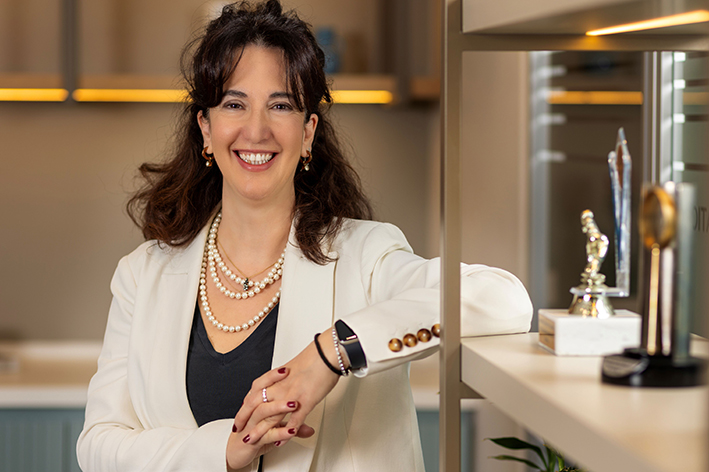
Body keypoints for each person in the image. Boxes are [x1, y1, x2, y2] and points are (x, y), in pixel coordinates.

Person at [76, 1, 533, 471]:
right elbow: (98, 445)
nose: (257, 129)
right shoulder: (142, 275)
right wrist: (223, 451)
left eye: (280, 105)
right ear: (205, 129)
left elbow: (504, 300)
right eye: (234, 104)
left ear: (308, 131)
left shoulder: (365, 256)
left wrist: (335, 351)